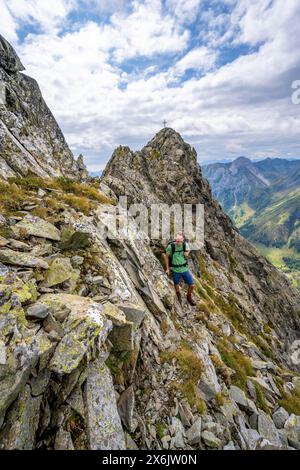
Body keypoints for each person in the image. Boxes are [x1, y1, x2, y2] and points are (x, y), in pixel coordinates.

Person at [165, 233, 196, 306]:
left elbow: (188, 251)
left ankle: (188, 296)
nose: (178, 242)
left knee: (192, 285)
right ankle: (178, 295)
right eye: (176, 240)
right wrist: (167, 268)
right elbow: (166, 257)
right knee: (176, 284)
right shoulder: (171, 247)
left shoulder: (185, 245)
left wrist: (187, 252)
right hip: (175, 269)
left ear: (183, 241)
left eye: (179, 241)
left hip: (184, 269)